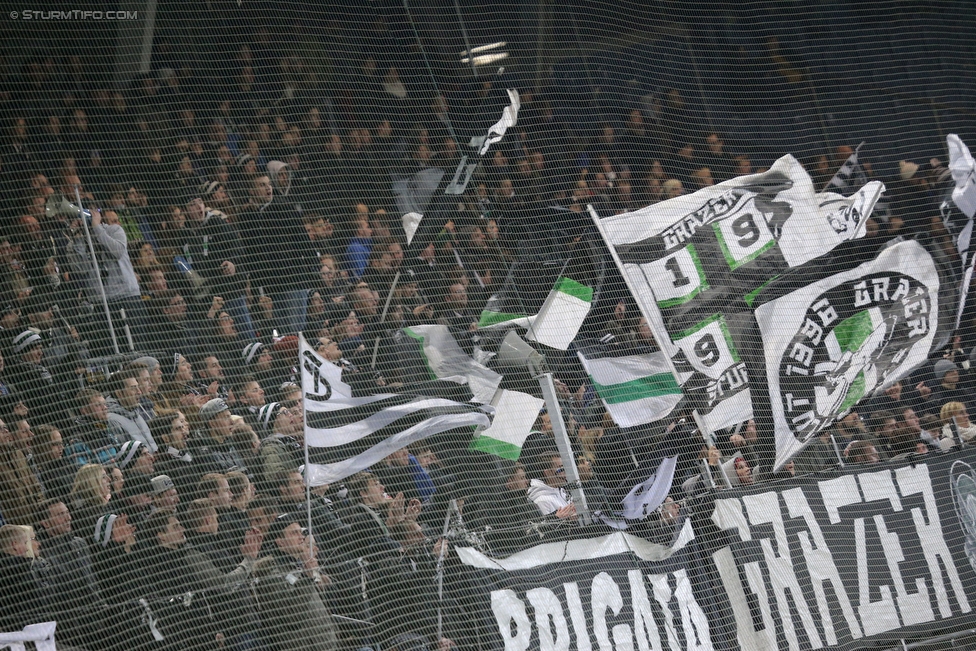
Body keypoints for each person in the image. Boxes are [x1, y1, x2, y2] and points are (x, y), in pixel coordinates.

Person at [252, 513, 340, 651]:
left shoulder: (300, 565)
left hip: (327, 644)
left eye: (300, 532)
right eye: (294, 533)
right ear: (279, 541)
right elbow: (292, 614)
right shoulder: (270, 571)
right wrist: (307, 577)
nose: (301, 537)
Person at [525, 450, 576, 519]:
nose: (564, 472)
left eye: (564, 468)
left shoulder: (562, 490)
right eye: (560, 469)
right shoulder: (542, 500)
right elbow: (549, 526)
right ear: (548, 473)